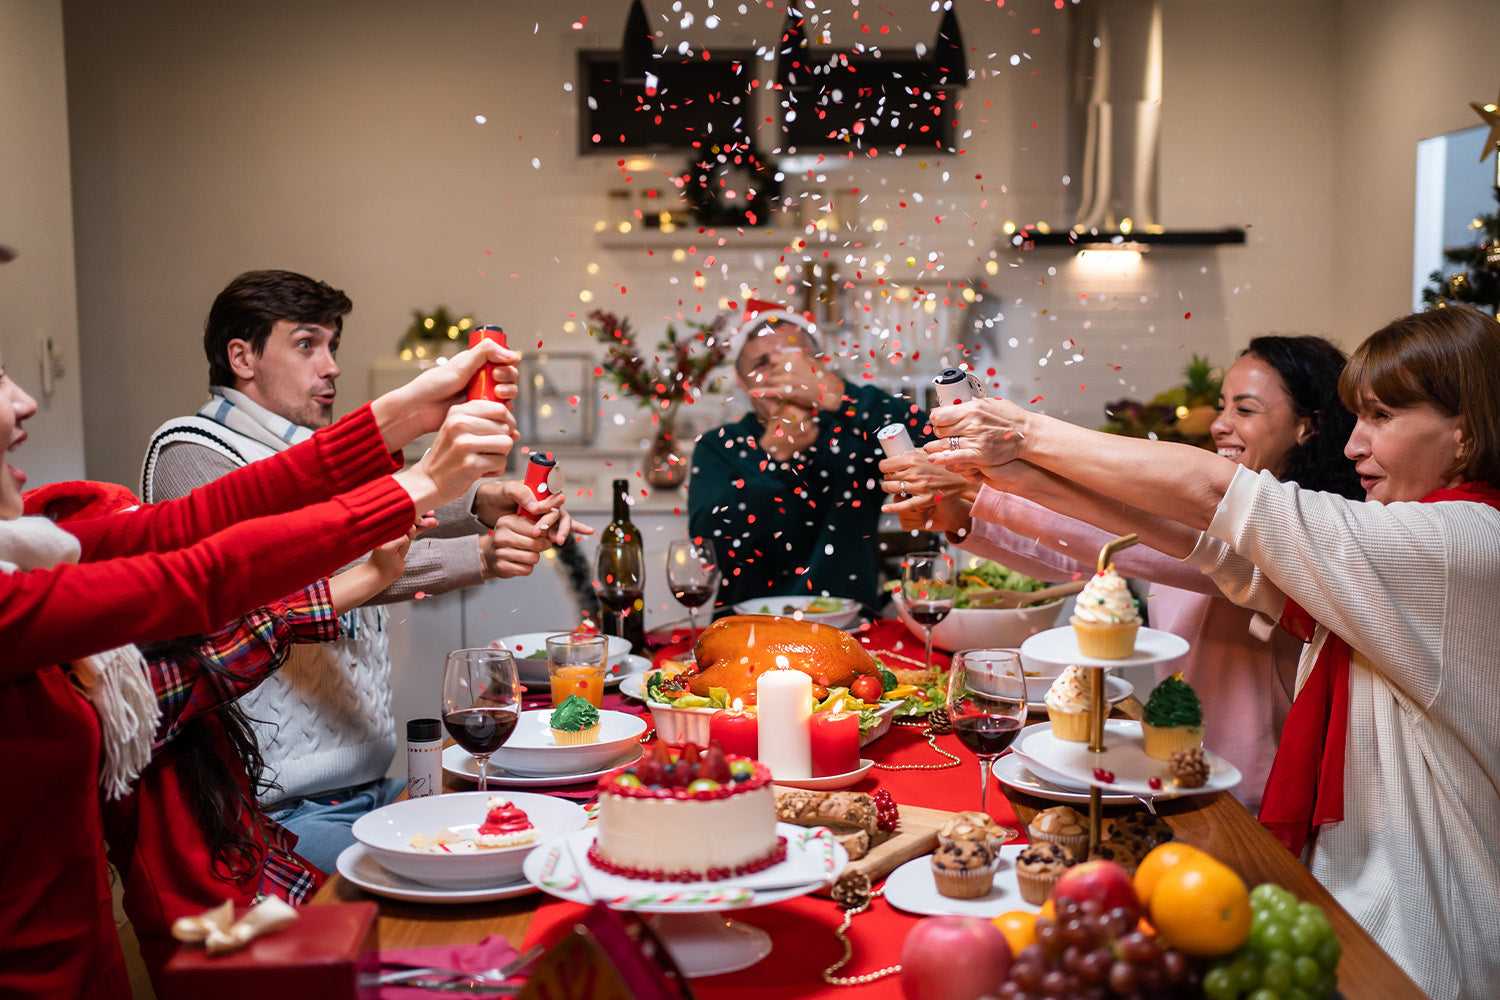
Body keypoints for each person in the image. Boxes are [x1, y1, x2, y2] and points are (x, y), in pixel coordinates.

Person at [925, 307, 1500, 1000]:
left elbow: (1215, 497)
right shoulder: (1407, 545)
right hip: (1356, 906)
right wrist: (1016, 479)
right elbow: (1200, 543)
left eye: (1381, 417)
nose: (1356, 446)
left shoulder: (1460, 543)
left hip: (1425, 946)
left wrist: (1026, 433)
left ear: (1465, 433)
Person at [1, 338, 516, 999]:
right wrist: (414, 483)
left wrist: (400, 415)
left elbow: (195, 523)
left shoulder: (26, 552)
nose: (25, 400)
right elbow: (203, 574)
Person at [140, 269, 584, 873]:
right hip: (277, 809)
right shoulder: (190, 453)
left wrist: (485, 500)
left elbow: (379, 504)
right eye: (306, 344)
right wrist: (478, 556)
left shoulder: (303, 451)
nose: (331, 366)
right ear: (240, 356)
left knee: (530, 844)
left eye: (333, 345)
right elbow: (309, 568)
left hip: (374, 786)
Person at [880, 335, 1361, 812]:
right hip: (1172, 763)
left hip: (1250, 784)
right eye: (1222, 407)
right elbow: (1085, 552)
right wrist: (964, 514)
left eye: (1245, 410)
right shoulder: (1221, 514)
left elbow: (1168, 549)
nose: (1219, 425)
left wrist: (982, 494)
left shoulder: (1299, 536)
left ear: (1307, 426)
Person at [687, 299, 929, 613]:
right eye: (761, 364)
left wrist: (839, 395)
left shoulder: (854, 432)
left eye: (791, 357)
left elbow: (934, 443)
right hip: (747, 633)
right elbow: (709, 550)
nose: (777, 371)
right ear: (743, 383)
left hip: (853, 632)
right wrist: (773, 456)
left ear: (819, 366)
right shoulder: (719, 446)